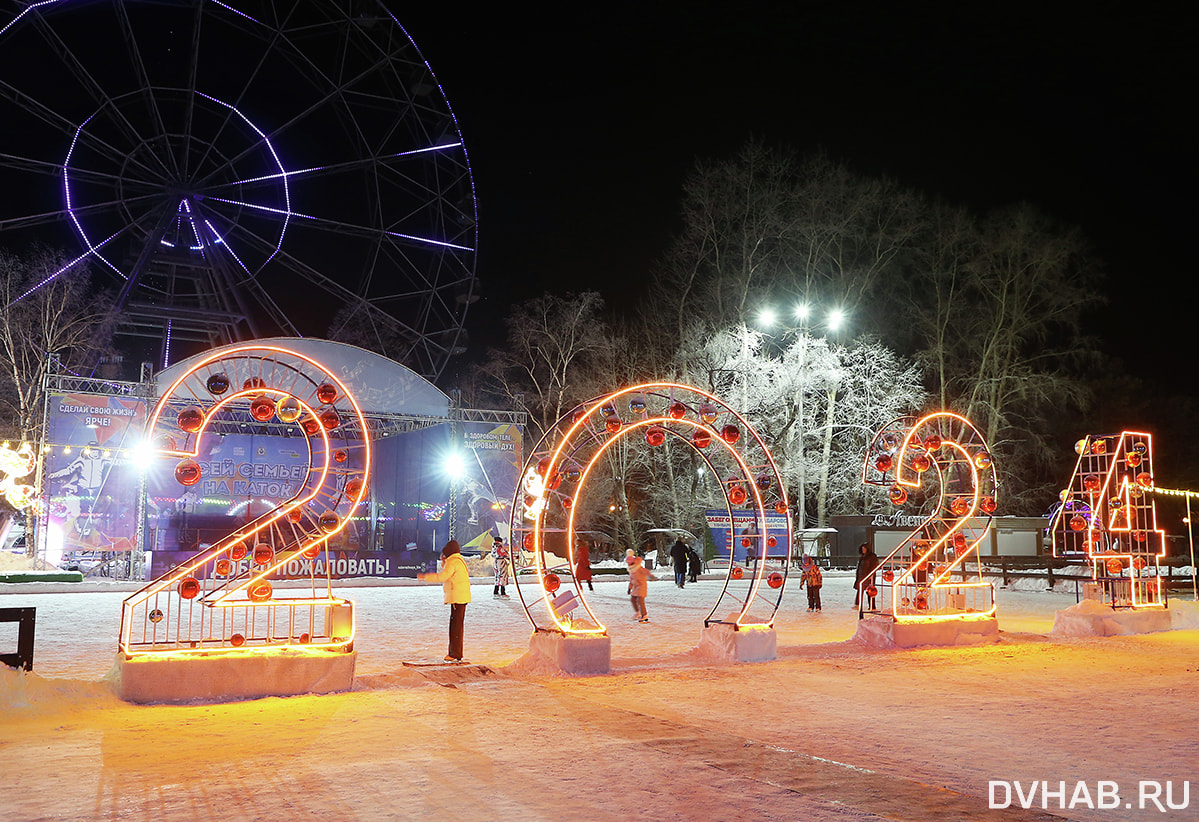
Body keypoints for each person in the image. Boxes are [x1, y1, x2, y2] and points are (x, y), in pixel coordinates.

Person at [417, 540, 472, 662]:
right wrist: (444, 561)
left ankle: (455, 654)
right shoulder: (459, 560)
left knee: (455, 628)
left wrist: (425, 577)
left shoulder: (452, 562)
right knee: (457, 626)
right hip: (461, 597)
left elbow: (442, 577)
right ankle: (456, 653)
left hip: (458, 598)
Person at [626, 549, 657, 622]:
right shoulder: (631, 570)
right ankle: (638, 612)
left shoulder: (639, 568)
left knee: (640, 601)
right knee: (633, 599)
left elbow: (646, 571)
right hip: (635, 586)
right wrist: (629, 588)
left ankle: (644, 615)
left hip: (641, 585)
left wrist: (651, 576)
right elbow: (631, 580)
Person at [853, 542, 880, 610]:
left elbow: (874, 566)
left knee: (870, 591)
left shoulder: (872, 557)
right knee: (860, 590)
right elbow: (860, 567)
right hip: (861, 576)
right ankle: (858, 604)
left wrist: (870, 575)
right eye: (862, 549)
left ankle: (872, 606)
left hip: (869, 577)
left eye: (864, 548)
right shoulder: (863, 557)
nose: (863, 550)